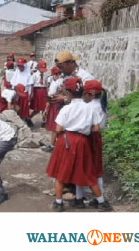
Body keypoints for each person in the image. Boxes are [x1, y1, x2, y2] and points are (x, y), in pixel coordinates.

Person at [45, 77, 112, 212]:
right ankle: (102, 202)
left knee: (61, 173)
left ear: (68, 93)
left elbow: (57, 129)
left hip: (67, 139)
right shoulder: (90, 108)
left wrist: (63, 135)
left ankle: (58, 203)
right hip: (83, 140)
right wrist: (84, 130)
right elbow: (96, 128)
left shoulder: (66, 109)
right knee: (87, 171)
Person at [74, 80, 109, 208]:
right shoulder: (101, 104)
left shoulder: (90, 106)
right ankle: (99, 197)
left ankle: (80, 198)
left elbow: (86, 125)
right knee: (96, 168)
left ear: (91, 93)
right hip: (97, 137)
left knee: (82, 167)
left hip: (88, 137)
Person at [41, 66, 63, 152]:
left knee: (54, 127)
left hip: (55, 105)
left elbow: (50, 98)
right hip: (62, 105)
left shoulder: (55, 83)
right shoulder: (63, 82)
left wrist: (46, 110)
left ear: (54, 74)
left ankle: (52, 145)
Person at [10, 57, 33, 127]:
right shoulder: (16, 72)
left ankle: (24, 121)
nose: (20, 67)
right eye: (19, 65)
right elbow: (13, 83)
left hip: (25, 94)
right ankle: (17, 122)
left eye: (21, 65)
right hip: (17, 93)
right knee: (17, 108)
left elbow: (30, 85)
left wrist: (30, 94)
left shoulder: (28, 73)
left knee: (24, 109)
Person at [30, 60, 49, 125]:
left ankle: (43, 121)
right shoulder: (34, 75)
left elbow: (46, 84)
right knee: (37, 108)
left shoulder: (46, 75)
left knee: (44, 107)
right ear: (38, 67)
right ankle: (29, 118)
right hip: (37, 91)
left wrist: (47, 92)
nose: (42, 71)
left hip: (43, 91)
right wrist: (31, 93)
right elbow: (32, 85)